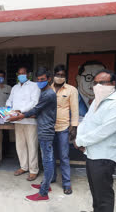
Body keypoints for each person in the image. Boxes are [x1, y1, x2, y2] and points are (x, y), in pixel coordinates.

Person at [75, 69, 116, 212]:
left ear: (113, 84)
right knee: (95, 192)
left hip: (104, 157)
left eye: (102, 83)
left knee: (104, 195)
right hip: (91, 153)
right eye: (95, 83)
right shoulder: (97, 101)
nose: (98, 86)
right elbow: (86, 121)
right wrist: (80, 139)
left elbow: (103, 131)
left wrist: (82, 141)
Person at [9, 67, 57, 201]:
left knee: (47, 160)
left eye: (43, 79)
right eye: (39, 79)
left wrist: (20, 115)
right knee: (48, 158)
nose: (40, 81)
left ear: (49, 79)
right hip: (43, 127)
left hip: (45, 129)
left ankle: (43, 193)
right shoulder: (46, 92)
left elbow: (35, 109)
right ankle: (46, 185)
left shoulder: (48, 94)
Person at [6, 66, 40, 181]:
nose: (21, 75)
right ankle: (23, 167)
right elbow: (9, 100)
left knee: (32, 145)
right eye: (19, 74)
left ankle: (33, 170)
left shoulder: (34, 86)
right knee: (20, 145)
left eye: (23, 73)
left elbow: (34, 102)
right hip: (17, 120)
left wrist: (20, 111)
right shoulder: (15, 88)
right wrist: (7, 109)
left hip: (30, 120)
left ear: (28, 74)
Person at [51, 64, 79, 195]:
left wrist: (74, 127)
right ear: (54, 75)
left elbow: (75, 109)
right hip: (49, 128)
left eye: (62, 75)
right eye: (58, 75)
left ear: (65, 76)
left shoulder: (71, 90)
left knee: (63, 156)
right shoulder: (48, 88)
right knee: (49, 155)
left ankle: (66, 183)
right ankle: (51, 178)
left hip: (63, 127)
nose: (60, 77)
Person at [0, 70, 12, 156]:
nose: (0, 78)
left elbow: (11, 101)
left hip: (5, 114)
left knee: (6, 133)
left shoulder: (9, 88)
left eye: (2, 76)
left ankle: (5, 152)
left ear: (4, 77)